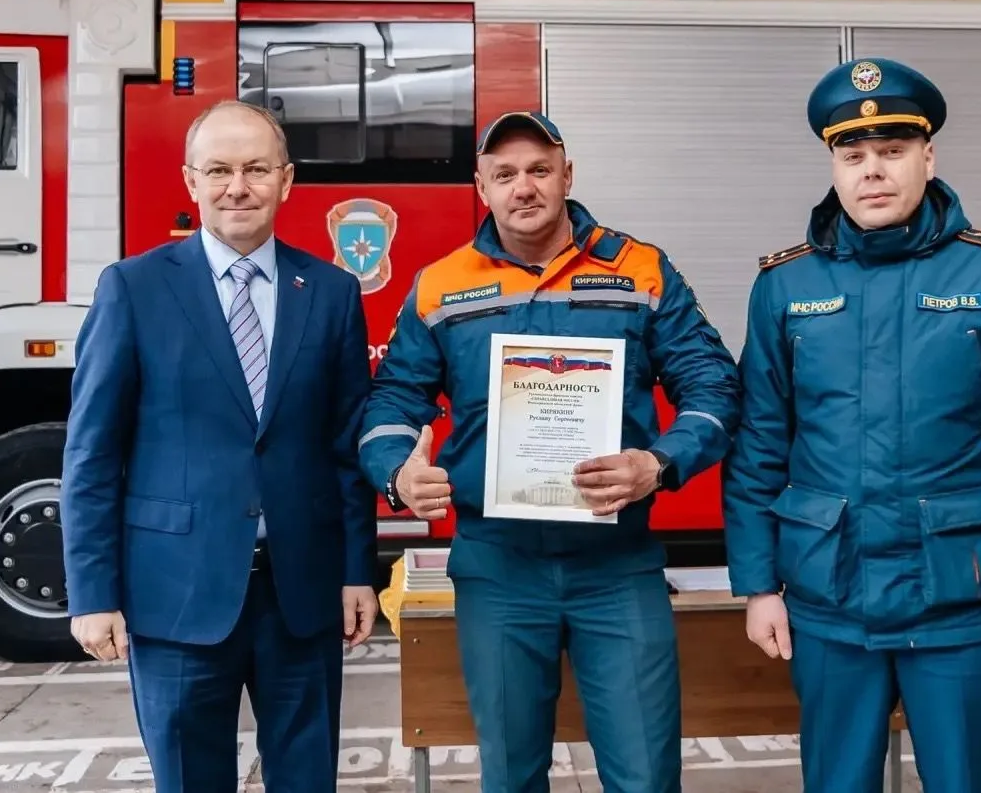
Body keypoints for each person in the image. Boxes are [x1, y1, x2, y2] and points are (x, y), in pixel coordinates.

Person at [721, 57, 981, 792]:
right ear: (833, 166)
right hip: (829, 608)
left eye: (892, 151)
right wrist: (759, 584)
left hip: (962, 610)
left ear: (929, 156)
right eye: (852, 155)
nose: (872, 171)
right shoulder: (786, 285)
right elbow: (759, 445)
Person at [358, 111, 740, 793]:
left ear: (568, 175)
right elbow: (391, 401)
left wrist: (657, 463)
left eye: (539, 169)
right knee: (510, 775)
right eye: (504, 173)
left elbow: (713, 385)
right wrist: (398, 472)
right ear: (482, 187)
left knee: (647, 776)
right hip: (497, 569)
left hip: (617, 567)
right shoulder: (441, 284)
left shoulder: (640, 270)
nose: (524, 187)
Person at [61, 100, 379, 793]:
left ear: (286, 180)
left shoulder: (331, 292)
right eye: (219, 170)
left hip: (301, 592)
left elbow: (346, 447)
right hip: (175, 593)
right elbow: (91, 455)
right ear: (190, 181)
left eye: (257, 169)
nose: (238, 187)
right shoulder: (133, 288)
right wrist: (92, 593)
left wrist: (358, 571)